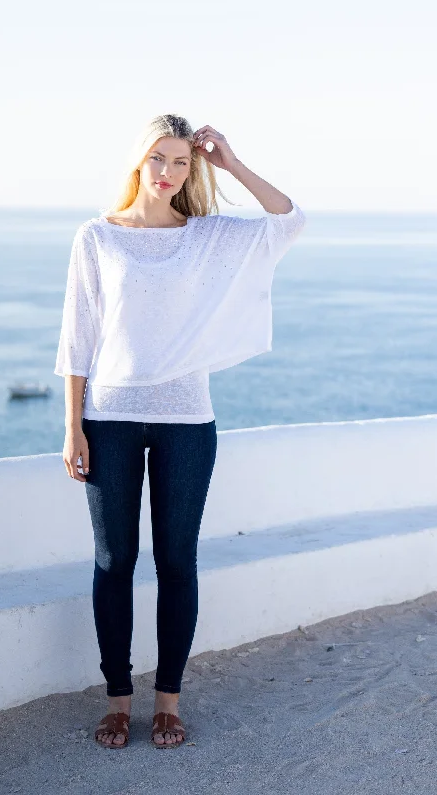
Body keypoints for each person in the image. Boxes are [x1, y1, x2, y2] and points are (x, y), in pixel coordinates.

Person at [54, 113, 306, 749]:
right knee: (115, 562)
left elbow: (288, 220)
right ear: (138, 162)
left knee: (177, 562)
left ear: (193, 170)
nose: (168, 173)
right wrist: (73, 428)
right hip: (108, 419)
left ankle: (167, 702)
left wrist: (232, 163)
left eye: (181, 162)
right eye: (158, 159)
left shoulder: (207, 237)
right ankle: (118, 701)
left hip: (187, 423)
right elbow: (77, 338)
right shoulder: (97, 238)